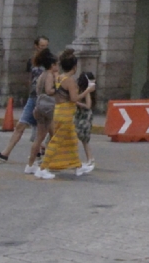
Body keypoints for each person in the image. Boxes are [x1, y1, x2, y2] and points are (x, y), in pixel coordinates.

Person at [0, 36, 49, 164]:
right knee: (20, 126)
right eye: (42, 46)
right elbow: (30, 77)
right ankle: (5, 153)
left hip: (43, 99)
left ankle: (43, 154)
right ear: (36, 46)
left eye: (46, 46)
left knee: (39, 132)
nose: (44, 48)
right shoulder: (32, 61)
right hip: (33, 97)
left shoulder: (50, 62)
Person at [37, 50, 86, 179]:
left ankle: (78, 166)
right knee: (56, 141)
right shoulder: (69, 81)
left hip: (59, 111)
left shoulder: (58, 77)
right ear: (75, 67)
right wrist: (87, 91)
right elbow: (74, 99)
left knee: (72, 140)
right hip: (66, 113)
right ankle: (43, 167)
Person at [24, 50, 59, 175]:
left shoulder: (41, 75)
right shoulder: (49, 75)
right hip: (48, 108)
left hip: (39, 106)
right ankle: (45, 164)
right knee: (53, 136)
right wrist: (57, 89)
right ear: (53, 65)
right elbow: (49, 90)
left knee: (39, 138)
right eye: (56, 64)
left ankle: (31, 164)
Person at [74, 68, 97, 172]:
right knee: (83, 139)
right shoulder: (82, 90)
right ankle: (89, 159)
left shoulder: (86, 92)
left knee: (83, 138)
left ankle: (90, 159)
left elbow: (88, 106)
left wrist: (77, 103)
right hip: (79, 115)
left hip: (85, 115)